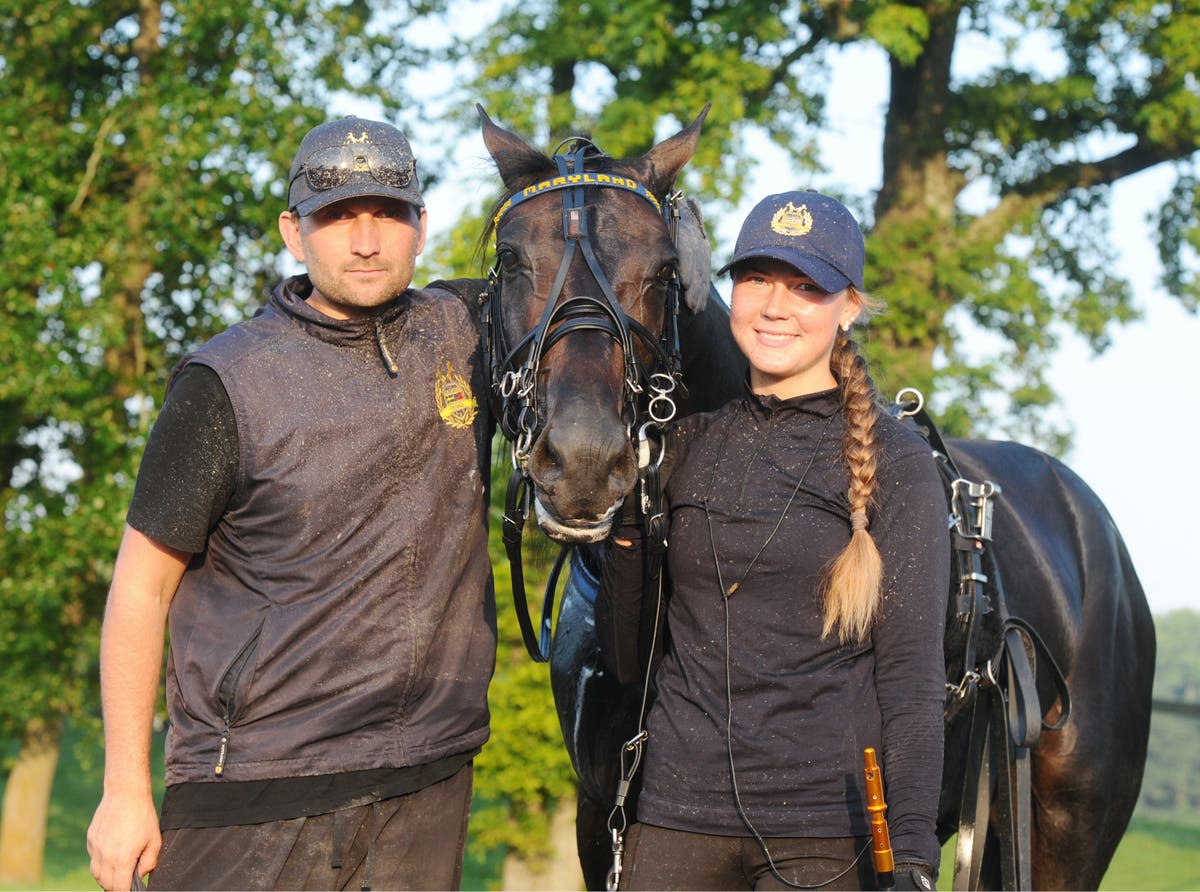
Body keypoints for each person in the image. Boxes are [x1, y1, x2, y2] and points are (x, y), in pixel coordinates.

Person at [85, 116, 496, 891]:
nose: (366, 241)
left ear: (421, 225)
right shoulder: (226, 381)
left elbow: (594, 295)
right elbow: (140, 588)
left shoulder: (469, 334)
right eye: (337, 216)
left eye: (387, 213)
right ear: (292, 232)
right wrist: (124, 790)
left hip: (428, 777)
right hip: (256, 784)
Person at [595, 190, 950, 891]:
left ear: (848, 306)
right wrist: (630, 522)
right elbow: (626, 657)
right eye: (756, 279)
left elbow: (911, 675)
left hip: (828, 829)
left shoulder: (898, 462)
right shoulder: (683, 445)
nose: (774, 306)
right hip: (676, 818)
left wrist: (912, 850)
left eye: (806, 287)